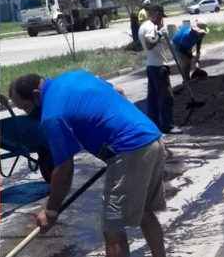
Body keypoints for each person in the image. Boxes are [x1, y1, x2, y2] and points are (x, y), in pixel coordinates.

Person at [9, 71, 169, 257]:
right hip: (152, 138)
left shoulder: (52, 115)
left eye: (26, 108)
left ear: (36, 95)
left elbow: (64, 170)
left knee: (113, 229)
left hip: (130, 150)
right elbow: (118, 90)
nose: (28, 113)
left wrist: (50, 211)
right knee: (145, 212)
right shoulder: (75, 75)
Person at [139, 4, 182, 134]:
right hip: (158, 67)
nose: (162, 20)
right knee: (166, 97)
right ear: (157, 14)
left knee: (153, 98)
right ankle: (167, 125)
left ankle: (154, 124)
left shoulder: (144, 26)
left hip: (151, 66)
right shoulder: (151, 27)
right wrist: (159, 33)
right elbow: (149, 44)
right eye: (161, 17)